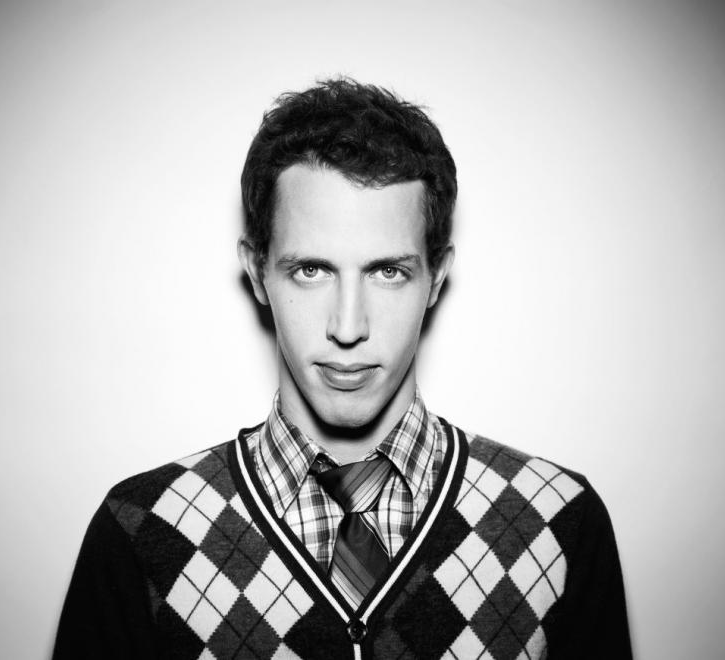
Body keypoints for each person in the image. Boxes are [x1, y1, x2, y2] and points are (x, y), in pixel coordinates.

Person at [54, 78, 632, 659]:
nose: (348, 327)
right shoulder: (146, 530)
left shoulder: (555, 521)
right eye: (311, 270)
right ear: (256, 272)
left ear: (436, 277)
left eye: (388, 272)